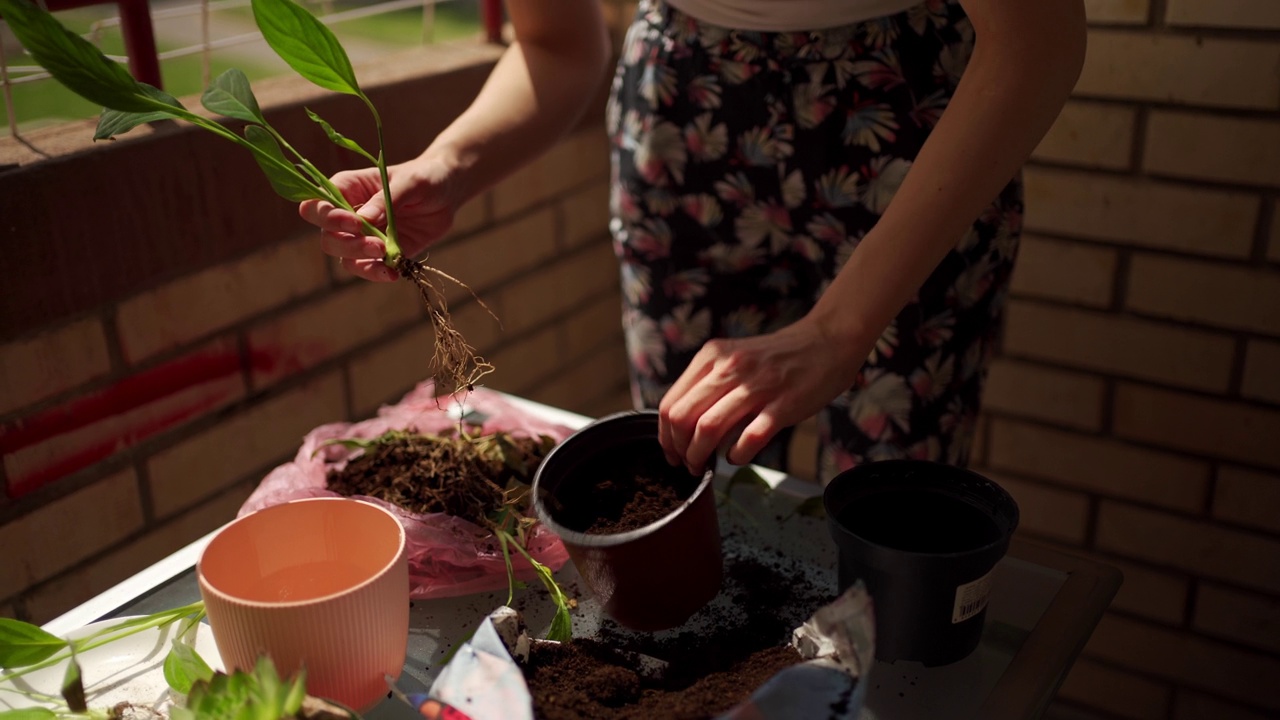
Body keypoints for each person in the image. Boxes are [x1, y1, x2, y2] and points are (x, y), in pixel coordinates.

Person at [299, 0, 1087, 482]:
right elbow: (557, 43)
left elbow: (1036, 42)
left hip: (907, 129)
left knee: (893, 508)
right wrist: (450, 164)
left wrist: (837, 331)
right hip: (683, 121)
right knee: (690, 472)